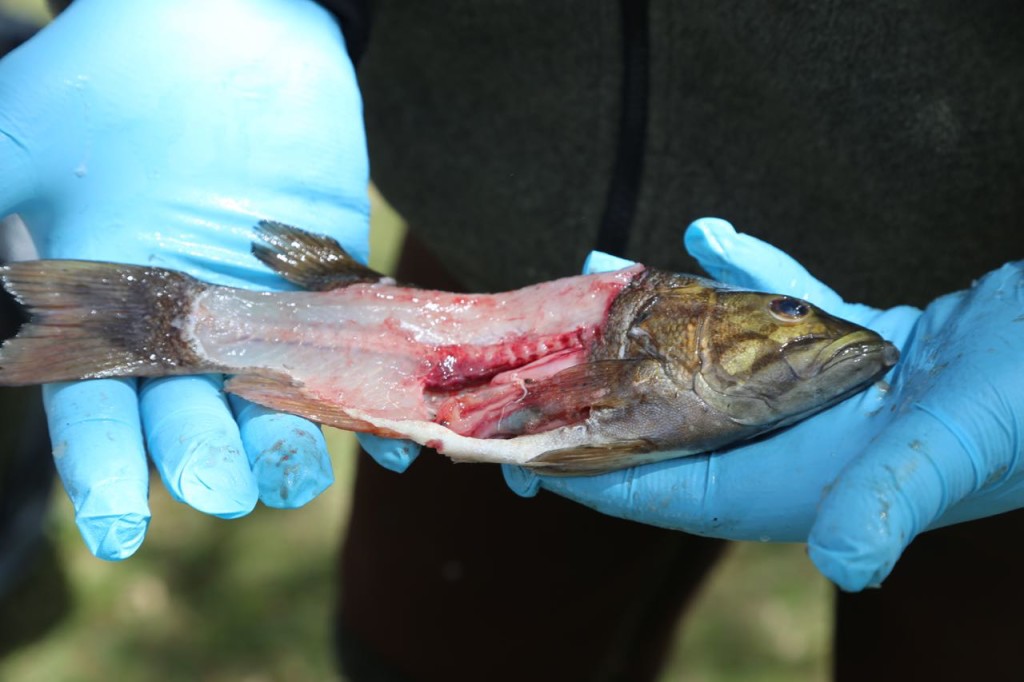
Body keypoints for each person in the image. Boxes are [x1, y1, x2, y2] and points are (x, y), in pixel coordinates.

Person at [0, 1, 1020, 680]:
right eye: (791, 320)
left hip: (985, 345)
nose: (803, 331)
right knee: (433, 648)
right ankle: (163, 321)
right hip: (487, 225)